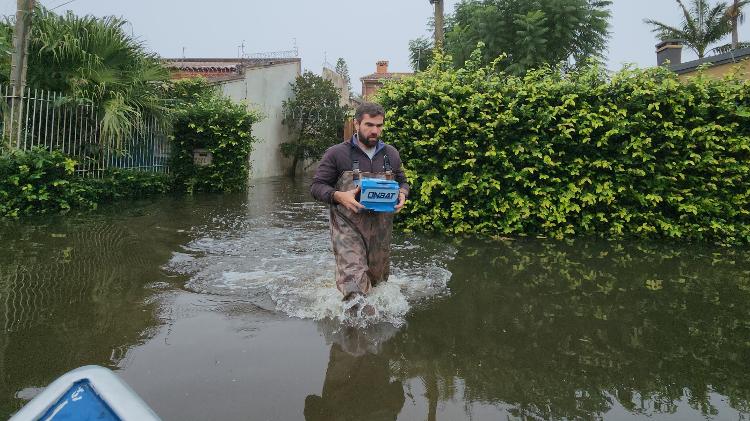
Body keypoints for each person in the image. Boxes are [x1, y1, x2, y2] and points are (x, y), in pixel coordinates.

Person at [310, 102, 409, 306]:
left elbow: (402, 181)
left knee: (378, 285)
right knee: (355, 289)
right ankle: (353, 333)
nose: (375, 131)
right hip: (347, 228)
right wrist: (339, 196)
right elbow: (317, 186)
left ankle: (372, 331)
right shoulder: (336, 153)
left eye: (379, 126)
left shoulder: (391, 154)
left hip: (381, 231)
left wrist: (402, 193)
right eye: (369, 125)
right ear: (356, 124)